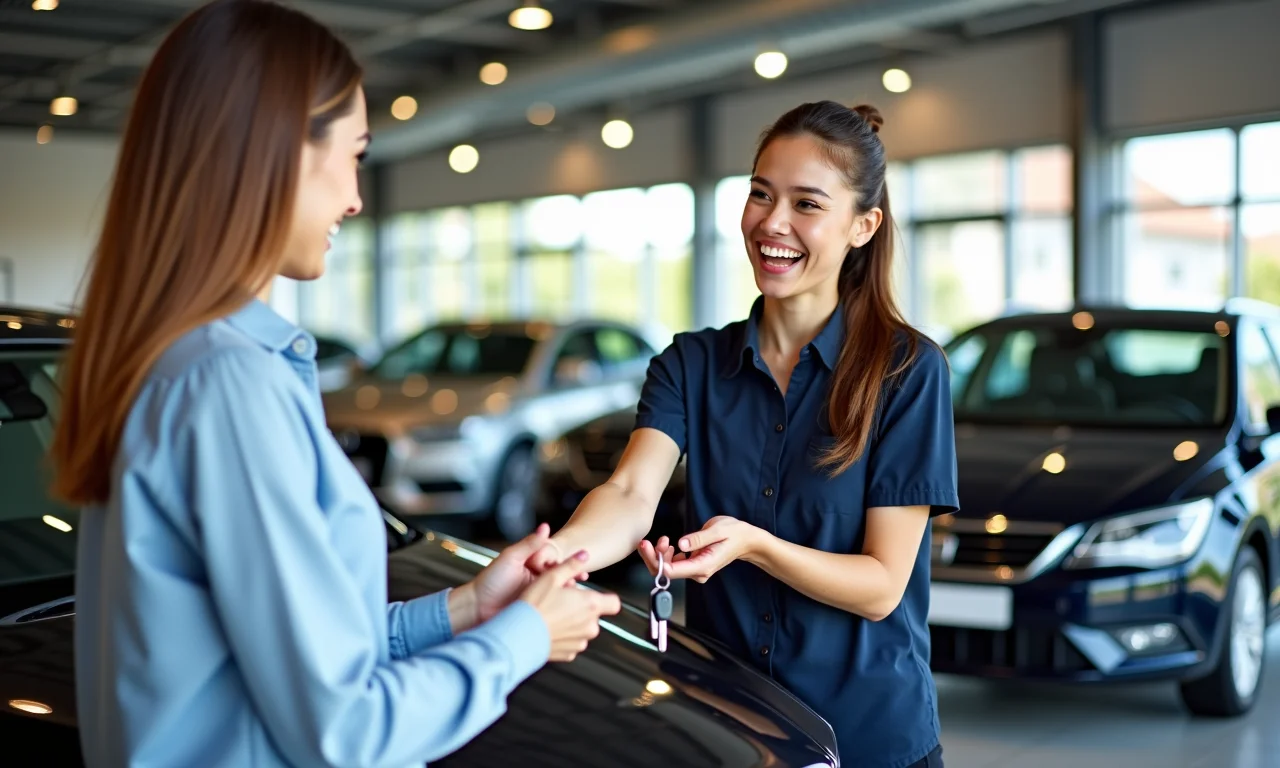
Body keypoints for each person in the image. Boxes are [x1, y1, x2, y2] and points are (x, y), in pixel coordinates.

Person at [47, 1, 619, 766]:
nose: (355, 197)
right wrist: (524, 637)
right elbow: (345, 728)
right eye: (353, 155)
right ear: (273, 154)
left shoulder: (181, 362)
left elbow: (292, 658)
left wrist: (468, 607)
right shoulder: (227, 385)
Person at [528, 100, 957, 768]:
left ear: (863, 226)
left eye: (806, 204)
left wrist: (755, 546)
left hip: (869, 739)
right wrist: (558, 556)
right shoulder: (690, 364)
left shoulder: (907, 371)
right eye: (761, 193)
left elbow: (881, 586)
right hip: (732, 733)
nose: (772, 222)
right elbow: (630, 492)